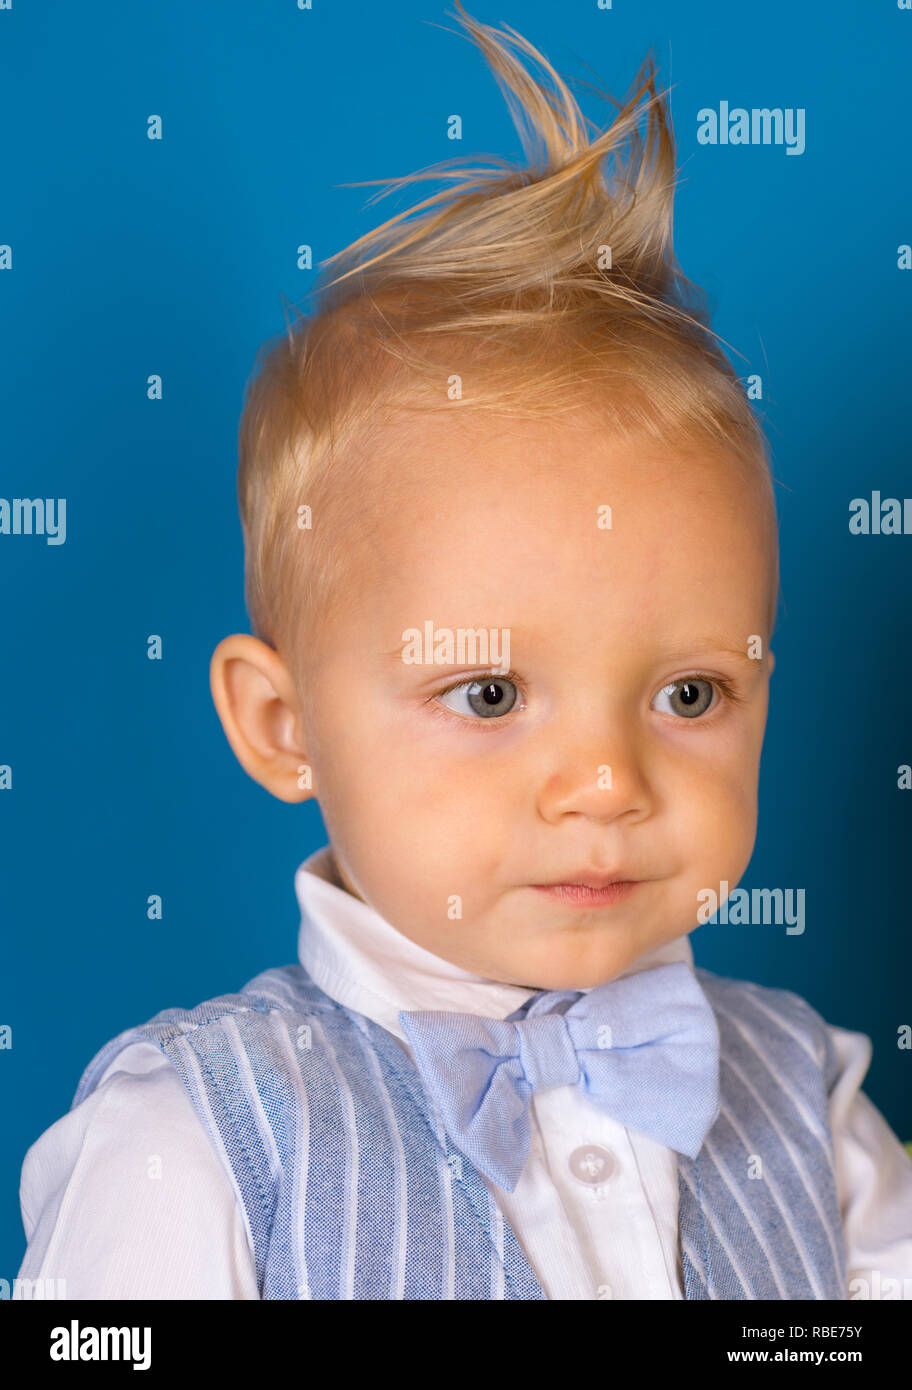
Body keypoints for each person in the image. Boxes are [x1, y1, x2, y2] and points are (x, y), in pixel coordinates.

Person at [15, 2, 912, 1299]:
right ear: (283, 725)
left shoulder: (810, 1101)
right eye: (489, 691)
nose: (605, 782)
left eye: (689, 690)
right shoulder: (194, 1136)